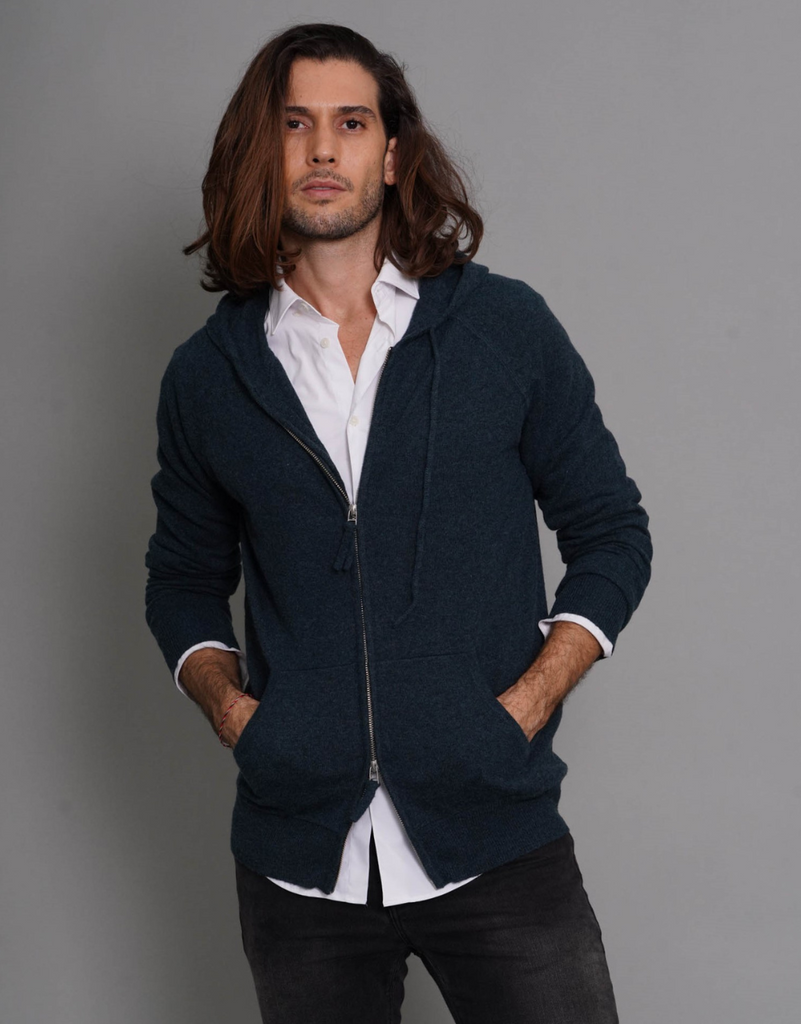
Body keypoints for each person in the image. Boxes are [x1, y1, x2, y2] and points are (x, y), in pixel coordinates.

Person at [144, 22, 652, 1024]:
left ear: (391, 153)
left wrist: (527, 703)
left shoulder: (503, 330)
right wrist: (238, 716)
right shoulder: (208, 378)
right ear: (261, 151)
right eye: (294, 124)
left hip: (495, 837)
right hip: (300, 866)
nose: (322, 149)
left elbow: (611, 529)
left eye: (350, 123)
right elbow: (181, 580)